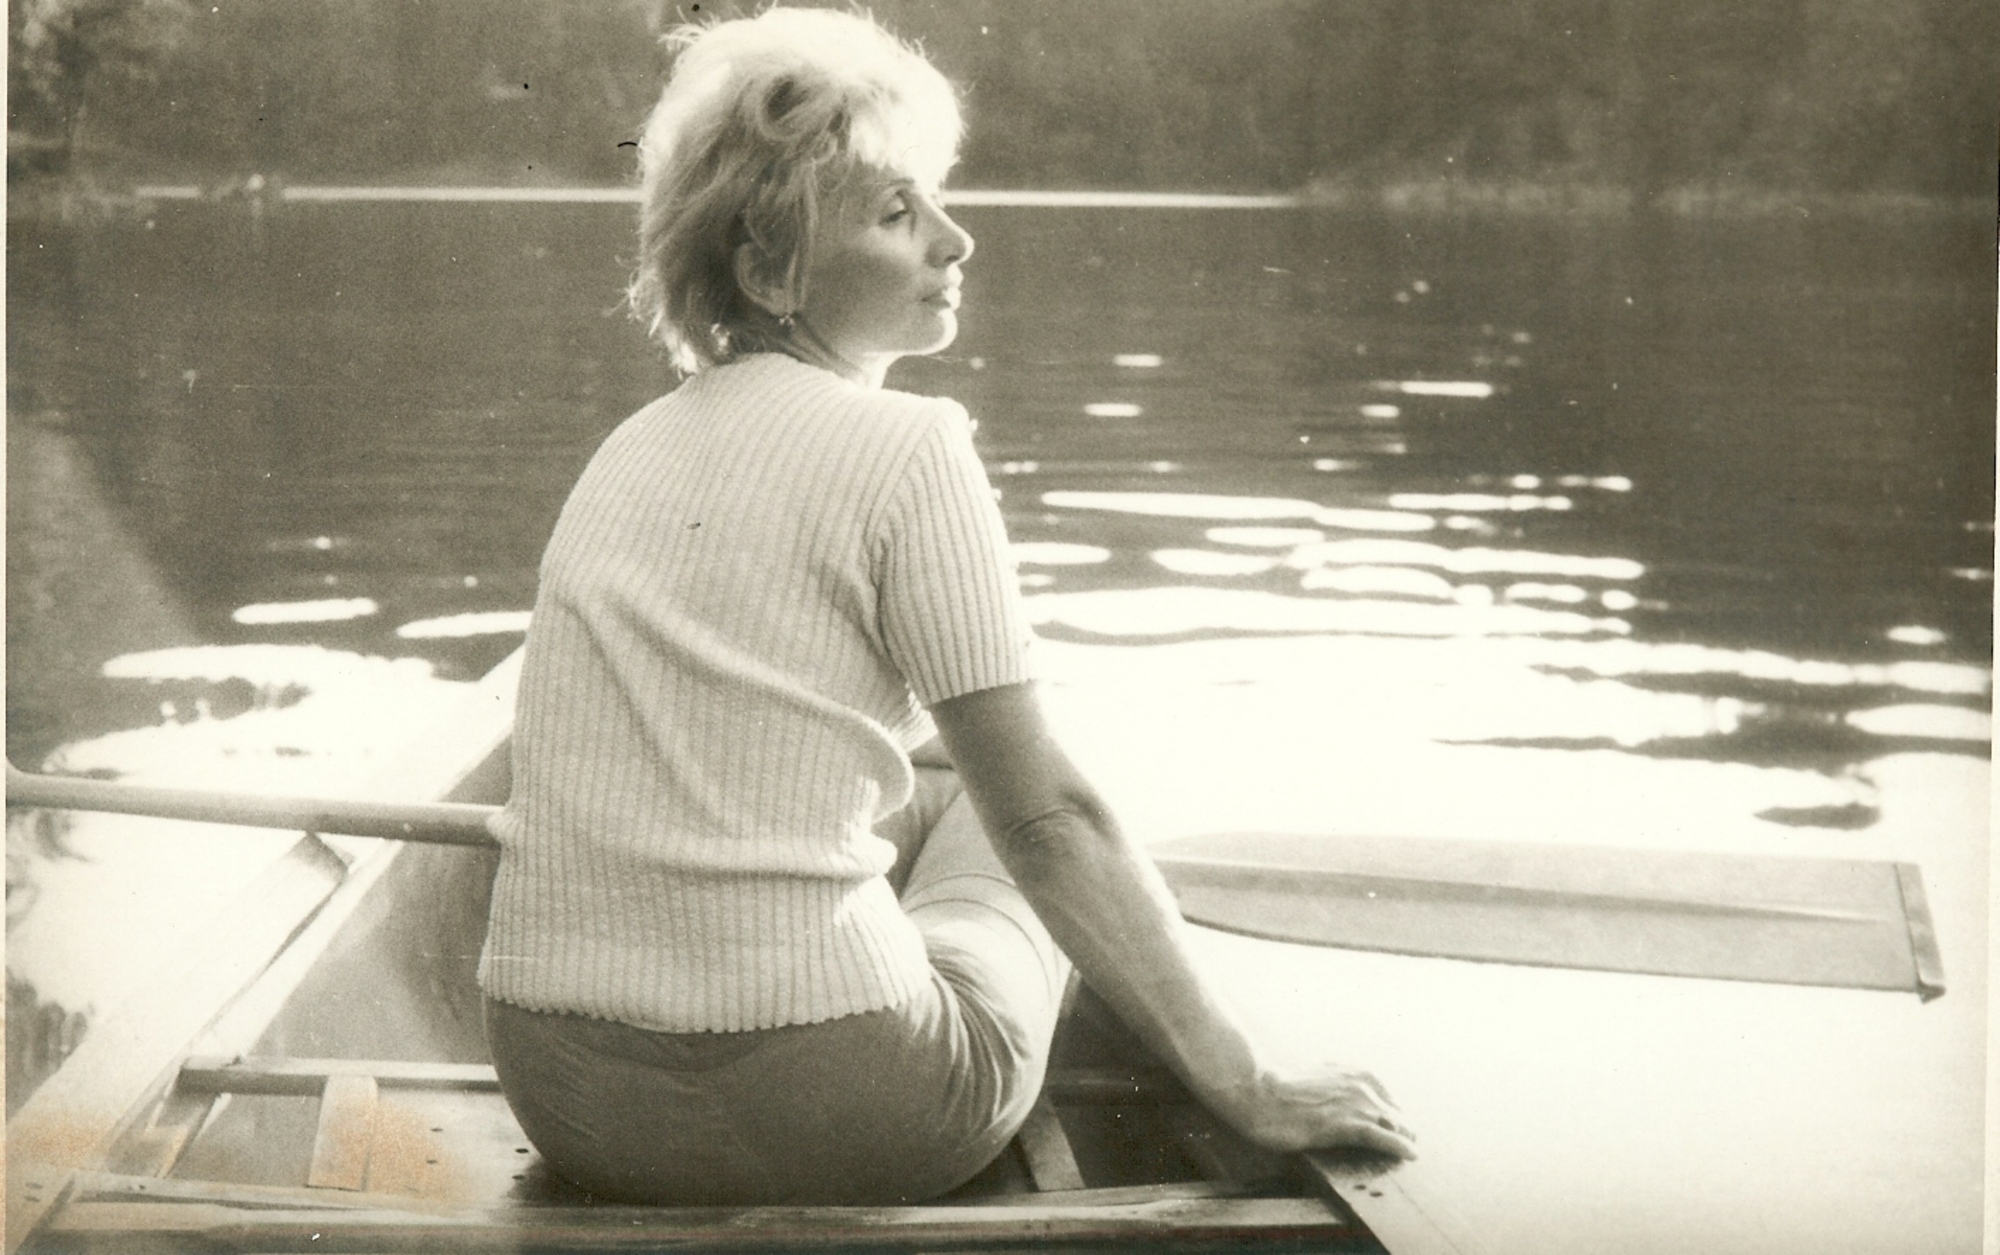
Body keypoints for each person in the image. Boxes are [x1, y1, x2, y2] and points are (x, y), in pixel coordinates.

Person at [477, 7, 1415, 1206]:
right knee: (1016, 794)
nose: (955, 238)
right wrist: (1248, 1082)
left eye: (934, 199)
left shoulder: (627, 447)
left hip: (570, 1101)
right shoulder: (910, 446)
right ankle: (1191, 1051)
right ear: (766, 270)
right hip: (848, 1107)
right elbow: (1049, 824)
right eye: (894, 212)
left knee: (938, 779)